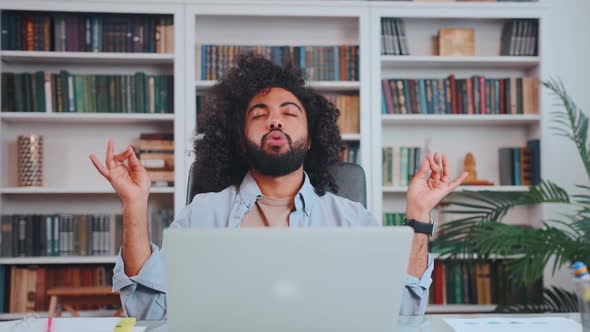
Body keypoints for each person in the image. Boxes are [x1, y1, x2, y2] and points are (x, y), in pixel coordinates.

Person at [89, 54, 468, 320]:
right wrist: (134, 206)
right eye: (260, 115)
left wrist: (418, 216)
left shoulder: (352, 219)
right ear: (240, 138)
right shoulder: (201, 214)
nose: (276, 122)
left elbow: (403, 313)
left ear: (312, 135)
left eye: (289, 113)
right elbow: (148, 312)